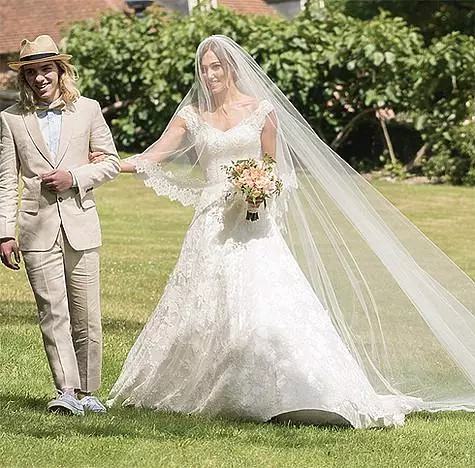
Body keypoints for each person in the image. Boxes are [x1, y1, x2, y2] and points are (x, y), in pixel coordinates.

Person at [98, 35, 475, 427]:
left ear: (231, 69)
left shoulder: (261, 110)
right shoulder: (191, 115)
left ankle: (300, 387)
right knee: (204, 303)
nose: (209, 75)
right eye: (204, 68)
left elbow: (273, 168)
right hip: (211, 223)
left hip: (255, 224)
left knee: (268, 301)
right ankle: (209, 383)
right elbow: (154, 155)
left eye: (216, 67)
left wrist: (258, 192)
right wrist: (110, 164)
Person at [0, 35, 120, 415]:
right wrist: (5, 231)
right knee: (52, 312)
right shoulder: (11, 119)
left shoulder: (87, 110)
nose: (39, 78)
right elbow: (6, 180)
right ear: (24, 78)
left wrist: (75, 176)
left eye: (45, 69)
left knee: (87, 313)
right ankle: (66, 391)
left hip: (80, 223)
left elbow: (112, 161)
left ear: (60, 71)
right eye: (31, 72)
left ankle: (90, 393)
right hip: (35, 229)